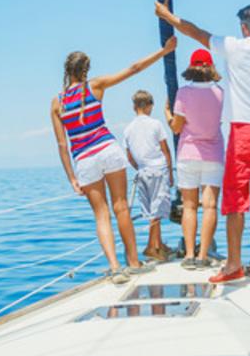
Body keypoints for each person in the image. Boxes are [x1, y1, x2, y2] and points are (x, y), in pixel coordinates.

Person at [155, 0, 250, 284]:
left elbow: (195, 32)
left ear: (244, 27)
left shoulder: (234, 46)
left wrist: (168, 17)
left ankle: (233, 264)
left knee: (236, 199)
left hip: (243, 132)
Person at [50, 37, 177, 284]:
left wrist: (72, 178)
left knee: (102, 215)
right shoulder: (95, 86)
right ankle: (134, 263)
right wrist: (164, 51)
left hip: (84, 160)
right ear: (86, 70)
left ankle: (115, 268)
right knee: (121, 207)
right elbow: (134, 68)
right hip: (108, 150)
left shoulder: (57, 103)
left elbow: (62, 145)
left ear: (67, 71)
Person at [164, 48, 225, 270]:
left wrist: (168, 113)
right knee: (210, 206)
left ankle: (189, 256)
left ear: (191, 67)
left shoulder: (183, 93)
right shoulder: (219, 92)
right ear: (211, 67)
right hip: (214, 155)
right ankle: (202, 256)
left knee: (189, 206)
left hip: (188, 154)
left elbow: (177, 127)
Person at [123, 89, 174, 264]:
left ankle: (158, 244)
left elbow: (129, 156)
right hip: (158, 170)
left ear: (134, 107)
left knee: (152, 210)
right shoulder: (156, 124)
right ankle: (151, 247)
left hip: (142, 172)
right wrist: (170, 173)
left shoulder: (128, 129)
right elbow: (166, 150)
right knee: (157, 211)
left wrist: (140, 168)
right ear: (149, 106)